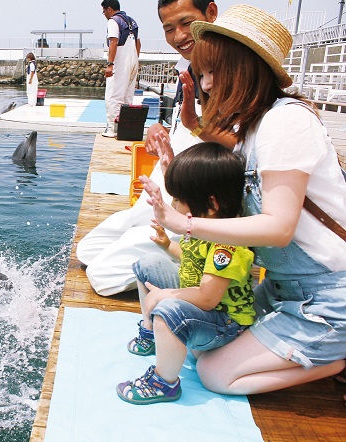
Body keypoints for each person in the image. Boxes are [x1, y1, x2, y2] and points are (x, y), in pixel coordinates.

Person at [142, 4, 346, 396]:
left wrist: (182, 224)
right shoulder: (257, 126)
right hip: (284, 290)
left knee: (216, 373)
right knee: (203, 349)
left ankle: (337, 358)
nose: (205, 85)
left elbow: (279, 228)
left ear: (245, 66)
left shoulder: (286, 122)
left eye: (212, 72)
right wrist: (180, 145)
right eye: (202, 74)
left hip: (327, 299)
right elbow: (226, 175)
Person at [76, 0, 218, 296]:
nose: (179, 35)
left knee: (102, 278)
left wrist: (172, 164)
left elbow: (220, 162)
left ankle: (192, 271)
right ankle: (147, 253)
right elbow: (185, 125)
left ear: (210, 14)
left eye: (186, 23)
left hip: (186, 202)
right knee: (86, 252)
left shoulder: (223, 74)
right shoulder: (189, 67)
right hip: (165, 185)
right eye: (169, 28)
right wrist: (158, 130)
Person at [117, 142, 255, 404]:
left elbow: (208, 298)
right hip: (202, 302)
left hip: (224, 323)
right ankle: (153, 333)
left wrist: (166, 295)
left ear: (211, 205)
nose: (173, 206)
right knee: (148, 263)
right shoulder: (204, 227)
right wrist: (168, 246)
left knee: (169, 309)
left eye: (179, 200)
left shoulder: (226, 244)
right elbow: (191, 260)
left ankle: (164, 382)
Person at [100, 0, 141, 138]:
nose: (104, 14)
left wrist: (110, 64)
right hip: (133, 59)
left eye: (104, 11)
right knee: (128, 97)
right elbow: (138, 42)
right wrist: (135, 59)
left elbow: (113, 41)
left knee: (113, 95)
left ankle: (112, 128)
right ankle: (125, 129)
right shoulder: (132, 21)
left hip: (120, 61)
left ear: (110, 9)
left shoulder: (113, 21)